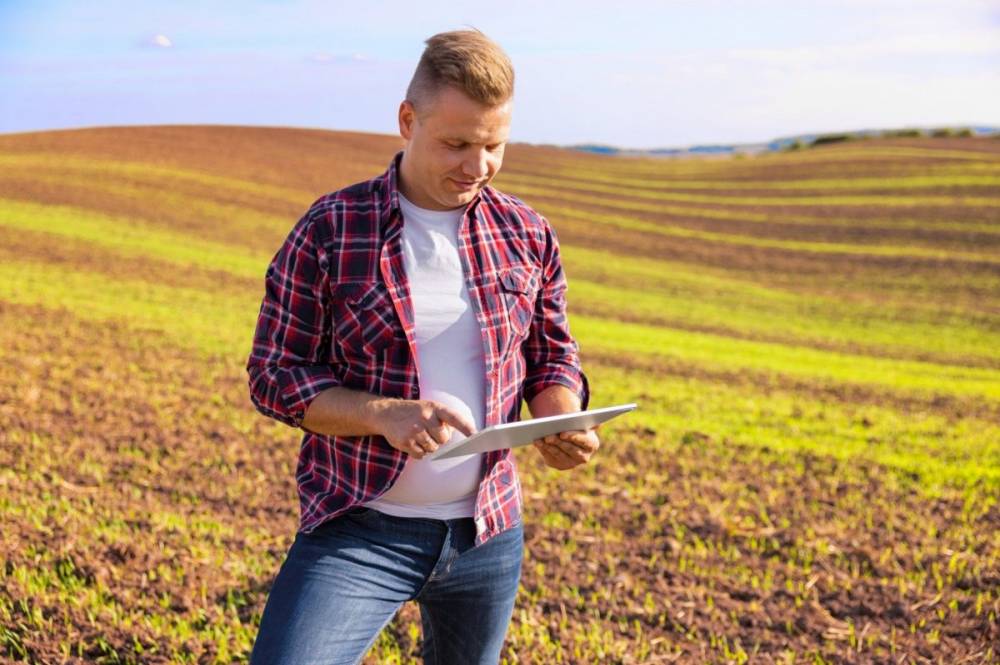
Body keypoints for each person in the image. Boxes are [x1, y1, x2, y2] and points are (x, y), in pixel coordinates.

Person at [245, 28, 600, 665]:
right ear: (408, 119)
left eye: (494, 145)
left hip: (488, 535)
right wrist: (384, 415)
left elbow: (552, 354)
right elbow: (274, 374)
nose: (478, 166)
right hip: (357, 528)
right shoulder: (332, 228)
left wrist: (559, 414)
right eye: (457, 143)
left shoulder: (527, 232)